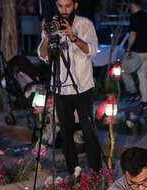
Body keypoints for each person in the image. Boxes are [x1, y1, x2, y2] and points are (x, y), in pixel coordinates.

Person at [38, 0, 102, 173]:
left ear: (75, 5)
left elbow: (93, 50)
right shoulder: (52, 25)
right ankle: (74, 173)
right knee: (66, 134)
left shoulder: (85, 24)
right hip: (60, 87)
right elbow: (42, 55)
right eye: (60, 6)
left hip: (82, 87)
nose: (63, 10)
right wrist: (46, 37)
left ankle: (96, 173)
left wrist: (73, 37)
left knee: (88, 132)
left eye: (67, 6)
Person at [121, 0, 147, 111]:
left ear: (133, 5)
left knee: (123, 70)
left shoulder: (135, 17)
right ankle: (144, 101)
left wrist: (128, 49)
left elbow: (133, 34)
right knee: (144, 76)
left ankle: (133, 92)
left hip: (138, 51)